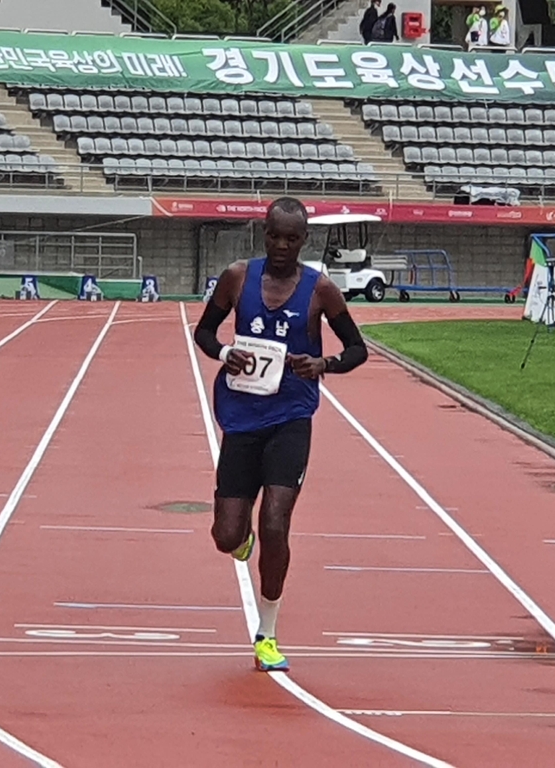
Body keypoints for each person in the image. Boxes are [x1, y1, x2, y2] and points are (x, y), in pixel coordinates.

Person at [193, 197, 369, 672]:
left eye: (292, 238)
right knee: (226, 534)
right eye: (275, 236)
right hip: (241, 417)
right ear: (263, 233)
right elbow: (203, 332)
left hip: (291, 418)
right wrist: (225, 350)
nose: (282, 246)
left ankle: (267, 634)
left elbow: (357, 350)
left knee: (276, 521)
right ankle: (240, 542)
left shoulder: (320, 290)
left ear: (304, 240)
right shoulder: (238, 277)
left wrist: (323, 363)